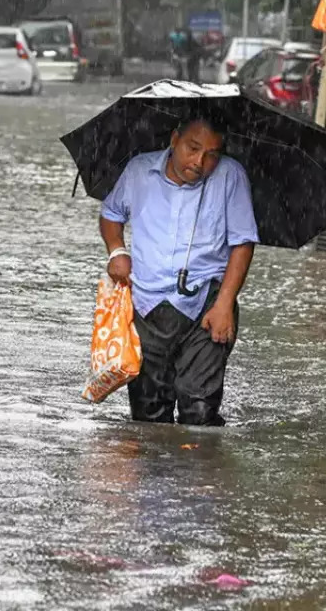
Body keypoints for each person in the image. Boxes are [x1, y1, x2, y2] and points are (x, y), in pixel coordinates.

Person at [99, 119, 258, 426]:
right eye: (193, 148)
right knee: (148, 418)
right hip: (146, 305)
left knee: (198, 412)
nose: (199, 162)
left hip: (207, 305)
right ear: (174, 139)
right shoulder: (138, 171)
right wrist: (117, 250)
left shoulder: (230, 176)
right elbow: (111, 214)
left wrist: (225, 304)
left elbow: (243, 243)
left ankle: (199, 470)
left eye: (211, 154)